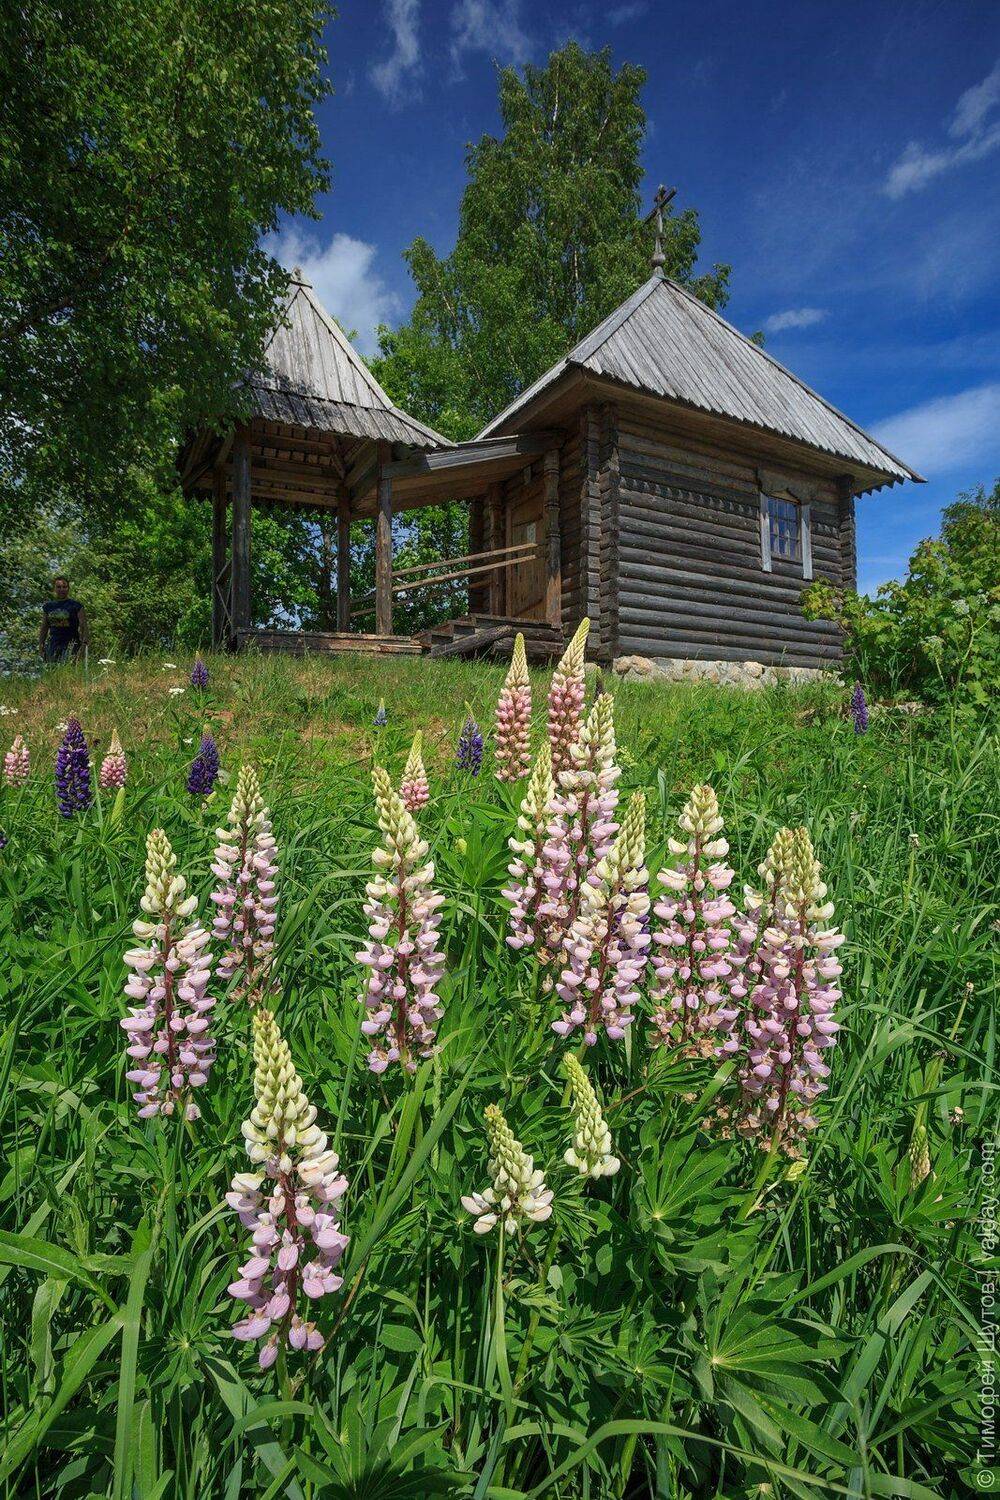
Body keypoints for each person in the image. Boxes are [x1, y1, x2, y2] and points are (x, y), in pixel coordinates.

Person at [40, 576, 89, 663]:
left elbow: (83, 625)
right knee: (52, 669)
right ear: (54, 589)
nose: (62, 589)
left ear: (68, 588)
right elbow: (44, 627)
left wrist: (84, 644)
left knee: (69, 668)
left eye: (64, 587)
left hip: (71, 645)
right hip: (53, 645)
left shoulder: (76, 606)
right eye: (58, 587)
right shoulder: (48, 606)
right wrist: (41, 645)